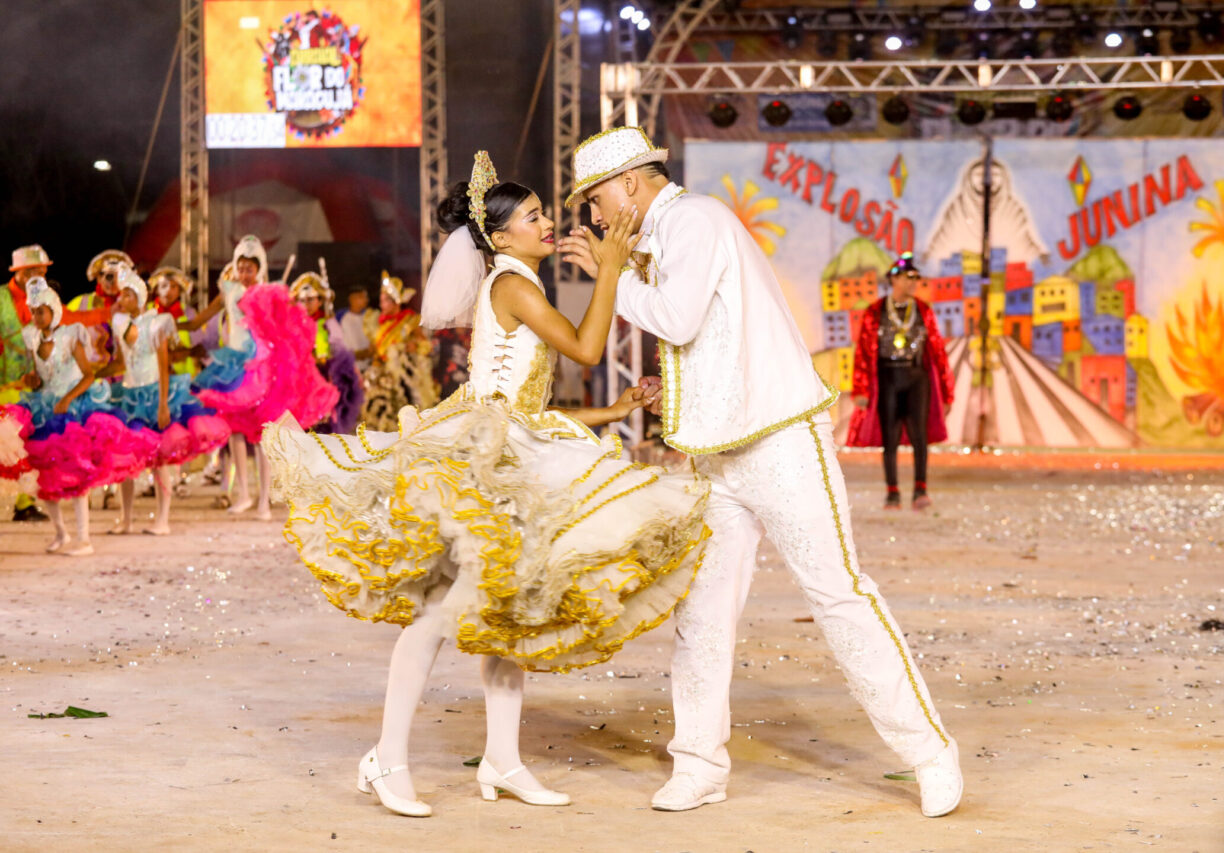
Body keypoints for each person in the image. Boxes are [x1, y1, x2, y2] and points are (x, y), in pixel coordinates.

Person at [260, 151, 710, 818]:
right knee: (441, 613)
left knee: (509, 608)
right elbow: (588, 351)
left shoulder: (513, 277)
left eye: (543, 212)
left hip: (506, 448)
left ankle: (502, 758)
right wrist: (611, 270)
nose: (549, 222)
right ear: (501, 236)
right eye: (533, 216)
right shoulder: (515, 283)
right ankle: (386, 756)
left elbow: (521, 405)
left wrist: (611, 412)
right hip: (483, 463)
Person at [559, 126, 962, 817]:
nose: (593, 218)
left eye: (594, 199)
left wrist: (610, 273)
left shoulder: (694, 218)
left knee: (838, 595)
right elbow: (702, 340)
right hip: (715, 460)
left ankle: (929, 752)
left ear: (629, 183)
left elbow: (677, 320)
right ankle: (698, 763)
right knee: (703, 615)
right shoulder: (667, 235)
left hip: (780, 445)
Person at [185, 236, 338, 520]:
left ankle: (264, 500)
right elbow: (200, 320)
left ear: (259, 269)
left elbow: (286, 324)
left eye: (249, 269)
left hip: (261, 368)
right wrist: (174, 327)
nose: (244, 274)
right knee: (234, 429)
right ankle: (243, 493)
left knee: (263, 435)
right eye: (240, 267)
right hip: (232, 365)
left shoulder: (268, 293)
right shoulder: (228, 290)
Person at [0, 278, 150, 554]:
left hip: (71, 412)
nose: (36, 317)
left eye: (41, 311)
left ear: (54, 310)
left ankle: (84, 539)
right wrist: (31, 379)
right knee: (43, 476)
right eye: (33, 312)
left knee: (76, 474)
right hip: (44, 409)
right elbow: (39, 376)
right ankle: (61, 533)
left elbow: (88, 374)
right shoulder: (34, 338)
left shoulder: (70, 336)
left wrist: (68, 398)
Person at [105, 269, 229, 535]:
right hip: (128, 395)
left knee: (159, 460)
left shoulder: (157, 323)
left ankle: (162, 520)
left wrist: (163, 404)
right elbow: (120, 362)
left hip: (153, 395)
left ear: (139, 298)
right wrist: (93, 373)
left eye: (127, 294)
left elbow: (163, 366)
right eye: (121, 294)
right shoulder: (118, 323)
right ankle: (126, 519)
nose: (122, 298)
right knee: (126, 459)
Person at [3, 245, 112, 522]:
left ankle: (26, 503)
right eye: (32, 271)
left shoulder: (45, 303)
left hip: (34, 388)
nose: (38, 275)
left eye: (42, 270)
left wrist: (109, 313)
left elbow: (73, 318)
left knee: (33, 448)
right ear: (19, 273)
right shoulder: (2, 299)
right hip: (5, 380)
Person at [847, 253, 954, 510]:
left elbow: (937, 350)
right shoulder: (875, 311)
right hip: (888, 377)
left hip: (917, 378)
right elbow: (862, 350)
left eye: (916, 278)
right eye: (909, 277)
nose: (914, 282)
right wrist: (861, 387)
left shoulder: (923, 310)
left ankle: (920, 488)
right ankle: (892, 491)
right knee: (890, 436)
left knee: (920, 434)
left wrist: (946, 391)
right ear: (895, 279)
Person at [359, 271, 438, 430]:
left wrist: (414, 346)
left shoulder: (409, 321)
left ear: (396, 302)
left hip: (403, 378)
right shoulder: (378, 324)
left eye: (385, 301)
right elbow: (377, 351)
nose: (382, 305)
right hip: (383, 376)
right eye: (381, 301)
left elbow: (427, 345)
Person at [290, 270, 364, 433]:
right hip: (299, 379)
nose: (306, 304)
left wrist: (353, 372)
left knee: (323, 425)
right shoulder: (293, 325)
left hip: (323, 377)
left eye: (310, 299)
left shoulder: (327, 323)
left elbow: (340, 348)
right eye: (302, 300)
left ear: (319, 301)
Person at [339, 287, 375, 371]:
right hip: (355, 370)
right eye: (362, 297)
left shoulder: (367, 317)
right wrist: (367, 353)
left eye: (366, 297)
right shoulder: (346, 321)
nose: (366, 300)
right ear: (352, 299)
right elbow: (349, 353)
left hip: (370, 367)